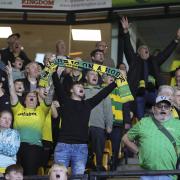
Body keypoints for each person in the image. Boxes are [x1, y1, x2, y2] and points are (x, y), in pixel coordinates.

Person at [53, 67, 117, 175]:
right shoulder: (65, 101)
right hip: (63, 145)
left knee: (78, 178)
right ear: (71, 90)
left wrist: (116, 83)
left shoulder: (87, 104)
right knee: (58, 176)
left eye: (82, 86)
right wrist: (54, 72)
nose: (81, 87)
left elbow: (103, 94)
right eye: (78, 86)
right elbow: (58, 86)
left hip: (81, 147)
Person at [121, 16, 180, 119]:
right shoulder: (134, 61)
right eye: (143, 48)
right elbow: (128, 48)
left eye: (147, 48)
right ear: (138, 53)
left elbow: (166, 53)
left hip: (153, 92)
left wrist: (176, 40)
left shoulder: (154, 61)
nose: (146, 49)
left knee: (163, 105)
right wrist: (126, 32)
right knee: (140, 117)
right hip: (139, 93)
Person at [6, 61, 52, 175]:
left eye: (34, 97)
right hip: (15, 147)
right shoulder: (18, 108)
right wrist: (10, 75)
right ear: (24, 100)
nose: (32, 97)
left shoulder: (41, 110)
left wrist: (50, 83)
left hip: (33, 147)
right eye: (29, 96)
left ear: (37, 101)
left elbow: (49, 97)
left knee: (29, 176)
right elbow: (12, 92)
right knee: (14, 175)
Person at [122, 95, 180, 180]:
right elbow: (125, 139)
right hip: (147, 174)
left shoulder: (178, 124)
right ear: (153, 109)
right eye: (160, 106)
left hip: (170, 174)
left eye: (166, 106)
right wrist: (138, 152)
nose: (163, 109)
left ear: (170, 109)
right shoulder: (144, 122)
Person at [84, 70, 113, 171]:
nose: (95, 76)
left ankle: (99, 170)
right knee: (83, 151)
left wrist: (109, 125)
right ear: (86, 77)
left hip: (99, 125)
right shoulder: (81, 90)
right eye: (92, 74)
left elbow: (108, 110)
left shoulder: (103, 91)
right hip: (83, 126)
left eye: (97, 75)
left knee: (99, 152)